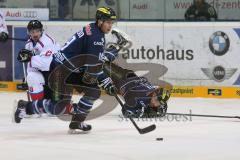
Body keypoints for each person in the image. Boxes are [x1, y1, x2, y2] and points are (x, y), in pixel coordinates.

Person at [14, 7, 119, 132]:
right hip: (61, 70)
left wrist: (104, 79)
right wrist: (106, 81)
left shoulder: (94, 30)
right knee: (58, 108)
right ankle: (25, 107)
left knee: (93, 91)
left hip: (70, 69)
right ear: (100, 21)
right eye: (108, 22)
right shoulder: (95, 38)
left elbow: (92, 63)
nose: (110, 26)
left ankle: (77, 122)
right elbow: (93, 67)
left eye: (112, 23)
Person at [103, 62, 171, 118]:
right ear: (154, 94)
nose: (156, 104)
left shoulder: (154, 97)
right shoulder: (139, 97)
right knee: (100, 65)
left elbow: (162, 107)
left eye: (159, 103)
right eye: (156, 100)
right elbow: (126, 110)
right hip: (120, 78)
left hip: (128, 79)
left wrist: (152, 111)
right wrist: (143, 113)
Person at [24, 20, 60, 101]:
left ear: (41, 31)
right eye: (32, 32)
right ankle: (37, 106)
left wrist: (30, 58)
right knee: (31, 77)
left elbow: (46, 64)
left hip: (56, 73)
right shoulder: (28, 44)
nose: (35, 34)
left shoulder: (47, 42)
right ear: (29, 32)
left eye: (37, 31)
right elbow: (31, 68)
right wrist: (28, 80)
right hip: (45, 73)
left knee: (55, 106)